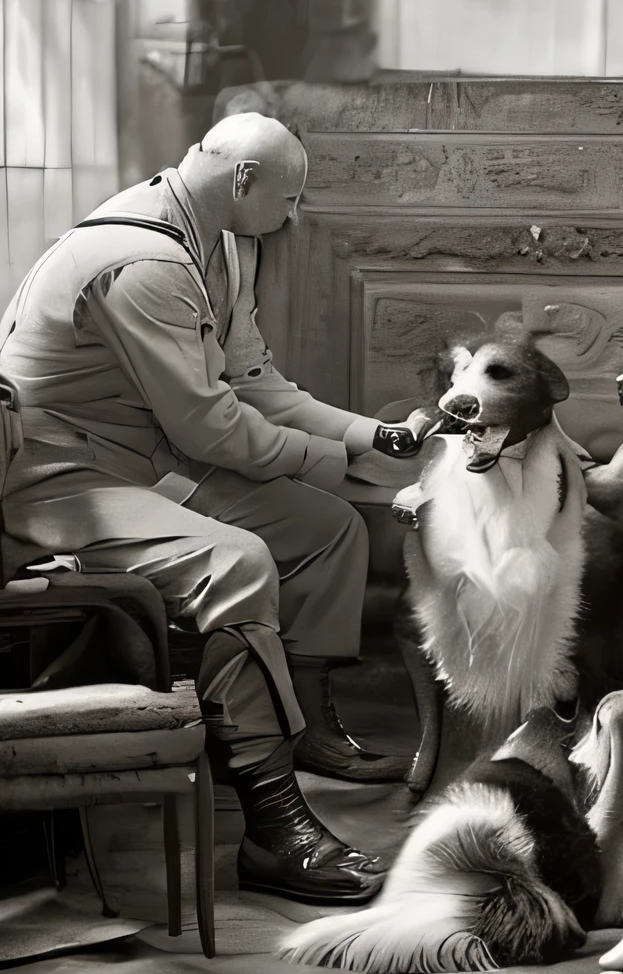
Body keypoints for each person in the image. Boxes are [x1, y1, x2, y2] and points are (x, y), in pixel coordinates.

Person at [0, 113, 433, 905]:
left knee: (326, 528)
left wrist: (370, 434)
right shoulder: (142, 262)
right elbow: (212, 427)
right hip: (59, 479)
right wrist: (336, 459)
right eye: (291, 197)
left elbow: (253, 380)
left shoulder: (226, 240)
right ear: (243, 181)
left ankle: (306, 731)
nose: (295, 215)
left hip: (139, 463)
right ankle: (275, 829)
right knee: (237, 562)